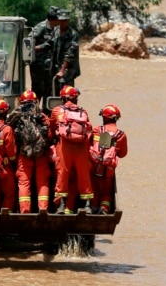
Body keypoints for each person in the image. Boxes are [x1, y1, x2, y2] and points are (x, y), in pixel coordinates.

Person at [49, 86, 93, 214]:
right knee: (84, 174)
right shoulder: (83, 111)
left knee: (62, 173)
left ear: (62, 98)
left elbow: (51, 129)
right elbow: (88, 130)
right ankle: (88, 205)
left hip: (65, 146)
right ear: (76, 99)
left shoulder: (57, 110)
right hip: (82, 147)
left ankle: (61, 205)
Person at [8, 90, 51, 213]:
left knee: (24, 183)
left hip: (24, 154)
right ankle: (43, 210)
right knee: (42, 183)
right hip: (41, 154)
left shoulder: (16, 115)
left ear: (20, 102)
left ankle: (24, 211)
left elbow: (7, 130)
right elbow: (50, 132)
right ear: (36, 101)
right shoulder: (42, 115)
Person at [90, 104, 128, 215]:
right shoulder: (121, 135)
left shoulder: (97, 130)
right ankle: (104, 208)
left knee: (94, 187)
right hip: (109, 167)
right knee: (106, 190)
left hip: (95, 164)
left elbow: (89, 144)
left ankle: (93, 208)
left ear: (104, 117)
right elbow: (123, 154)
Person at [0, 98, 18, 212]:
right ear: (5, 112)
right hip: (5, 166)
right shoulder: (7, 129)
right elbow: (11, 152)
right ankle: (6, 217)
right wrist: (13, 161)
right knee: (9, 193)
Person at [29, 6, 59, 108]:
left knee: (49, 91)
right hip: (38, 67)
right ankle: (33, 112)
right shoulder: (40, 28)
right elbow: (27, 46)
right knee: (37, 91)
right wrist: (43, 46)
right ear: (53, 19)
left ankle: (47, 114)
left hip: (49, 67)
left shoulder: (56, 29)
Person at [51, 9, 81, 97]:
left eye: (65, 20)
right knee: (54, 93)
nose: (63, 23)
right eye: (61, 20)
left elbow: (70, 54)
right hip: (55, 67)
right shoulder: (55, 31)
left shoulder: (73, 34)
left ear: (68, 20)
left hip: (67, 69)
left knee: (68, 93)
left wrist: (62, 70)